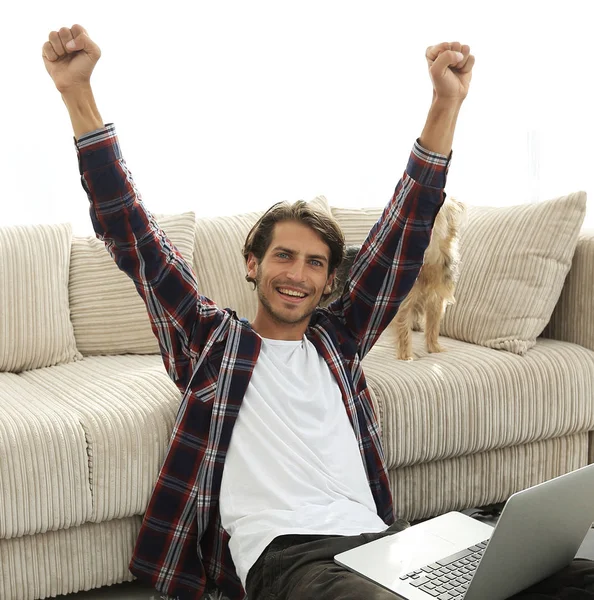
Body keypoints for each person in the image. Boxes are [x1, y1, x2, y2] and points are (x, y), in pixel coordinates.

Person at [42, 24, 594, 600]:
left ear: (331, 281)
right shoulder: (212, 342)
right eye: (283, 256)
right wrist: (77, 94)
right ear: (252, 264)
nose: (296, 275)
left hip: (384, 544)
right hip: (292, 557)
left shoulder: (338, 341)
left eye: (313, 263)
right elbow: (131, 232)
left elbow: (405, 231)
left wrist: (445, 101)